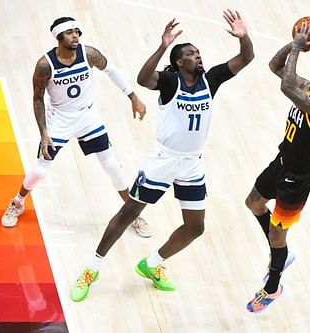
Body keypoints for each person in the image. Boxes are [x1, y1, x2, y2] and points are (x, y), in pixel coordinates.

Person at [70, 9, 254, 302]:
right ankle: (91, 269)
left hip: (192, 162)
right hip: (162, 160)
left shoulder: (212, 79)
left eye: (199, 52)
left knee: (196, 227)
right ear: (180, 62)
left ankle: (152, 264)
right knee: (129, 213)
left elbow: (245, 59)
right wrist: (163, 45)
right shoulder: (171, 83)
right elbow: (143, 79)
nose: (199, 56)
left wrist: (244, 38)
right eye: (192, 54)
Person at [0, 17, 153, 238]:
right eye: (70, 33)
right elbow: (37, 99)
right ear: (59, 37)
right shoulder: (45, 65)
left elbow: (112, 71)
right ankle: (18, 202)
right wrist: (43, 133)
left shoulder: (88, 54)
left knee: (111, 166)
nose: (76, 36)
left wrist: (133, 97)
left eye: (77, 32)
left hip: (87, 117)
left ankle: (132, 214)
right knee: (41, 169)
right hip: (59, 119)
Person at [244, 22, 310, 313]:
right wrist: (293, 44)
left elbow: (286, 84)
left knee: (279, 236)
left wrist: (300, 49)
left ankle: (272, 288)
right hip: (280, 164)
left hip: (296, 180)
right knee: (253, 202)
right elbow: (275, 66)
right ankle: (281, 255)